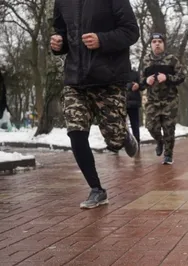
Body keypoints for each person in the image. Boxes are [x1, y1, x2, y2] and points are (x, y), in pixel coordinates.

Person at [50, 0, 140, 209]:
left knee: (114, 140)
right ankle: (97, 189)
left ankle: (123, 135)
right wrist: (58, 43)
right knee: (76, 129)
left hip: (109, 78)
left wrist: (102, 39)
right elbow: (62, 33)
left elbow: (131, 31)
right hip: (75, 79)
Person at [136, 33, 185, 165]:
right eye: (154, 42)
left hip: (170, 100)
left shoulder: (172, 60)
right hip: (152, 100)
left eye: (159, 41)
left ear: (164, 44)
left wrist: (168, 78)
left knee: (169, 128)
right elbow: (140, 82)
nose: (157, 44)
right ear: (151, 45)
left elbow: (181, 77)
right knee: (151, 126)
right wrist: (146, 80)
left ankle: (168, 155)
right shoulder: (146, 61)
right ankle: (159, 141)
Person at [126, 68, 142, 150]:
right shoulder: (117, 73)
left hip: (133, 103)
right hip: (121, 102)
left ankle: (137, 143)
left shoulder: (135, 74)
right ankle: (118, 145)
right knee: (120, 125)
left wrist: (138, 85)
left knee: (135, 124)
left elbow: (142, 85)